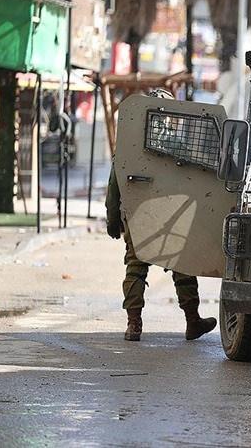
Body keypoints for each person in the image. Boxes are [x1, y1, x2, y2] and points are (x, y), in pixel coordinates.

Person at [105, 91, 217, 343]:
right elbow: (193, 183)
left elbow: (115, 186)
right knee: (183, 268)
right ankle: (192, 320)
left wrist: (112, 220)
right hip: (173, 216)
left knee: (135, 268)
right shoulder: (178, 145)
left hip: (136, 213)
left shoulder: (129, 146)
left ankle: (134, 325)